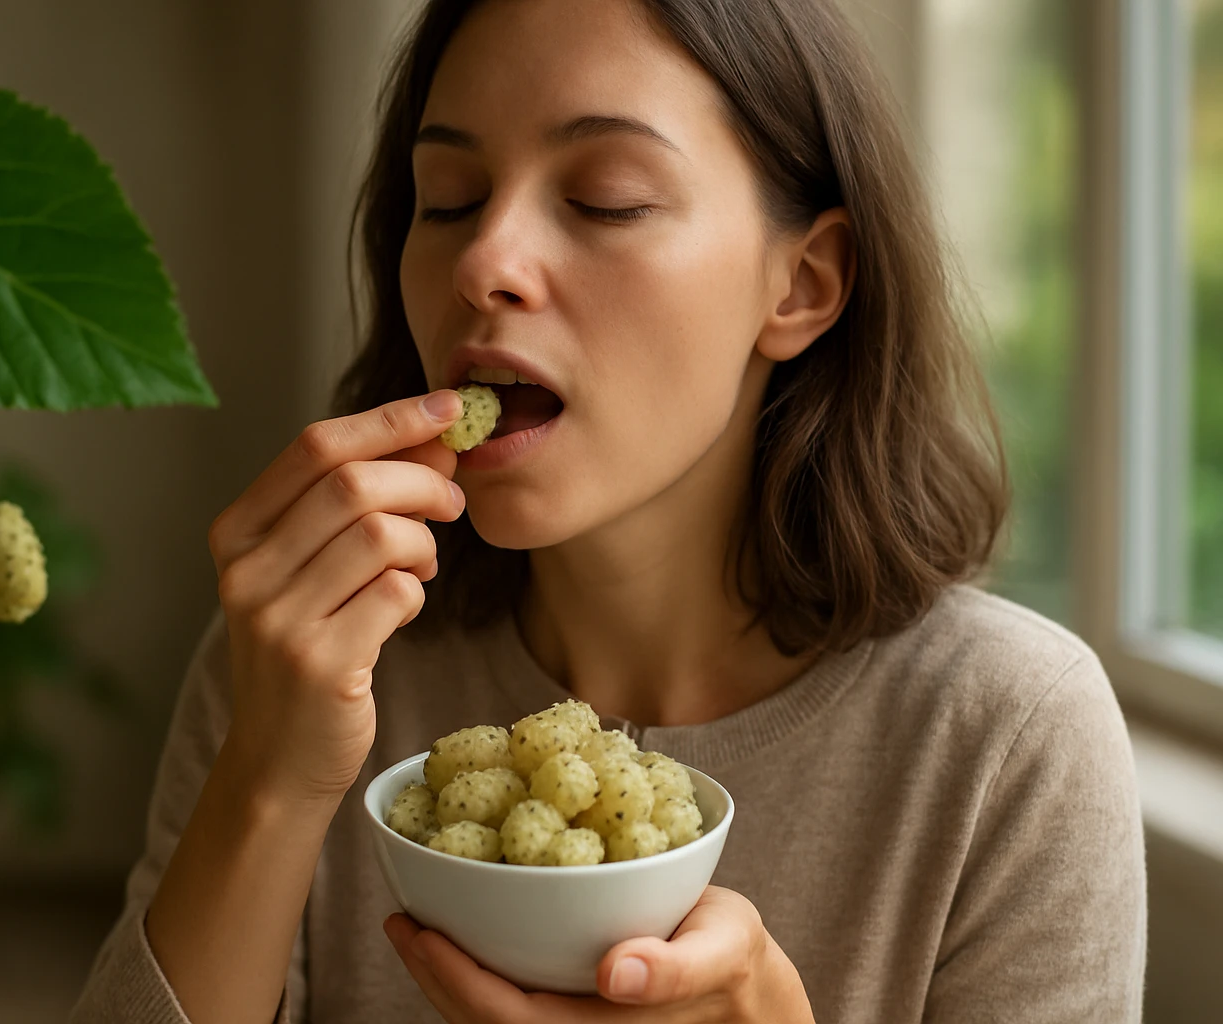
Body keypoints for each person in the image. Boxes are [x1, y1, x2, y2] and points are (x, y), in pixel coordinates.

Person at [73, 0, 1146, 1020]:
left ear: (804, 284)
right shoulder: (302, 666)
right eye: (445, 198)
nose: (484, 263)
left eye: (606, 198)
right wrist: (268, 777)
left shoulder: (1011, 744)